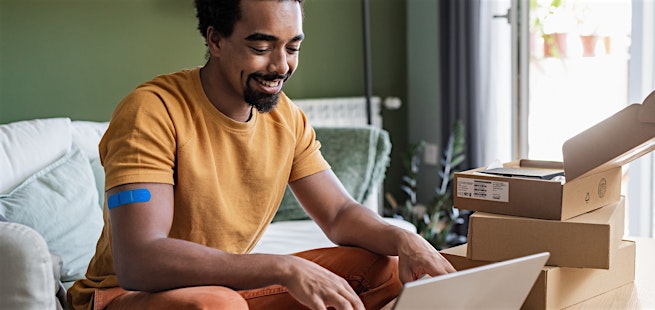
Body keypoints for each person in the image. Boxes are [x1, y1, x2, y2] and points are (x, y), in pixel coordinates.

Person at [67, 0, 455, 309]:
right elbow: (140, 259)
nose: (281, 65)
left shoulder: (287, 118)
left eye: (292, 47)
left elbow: (339, 214)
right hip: (122, 297)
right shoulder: (152, 111)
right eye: (261, 46)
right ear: (216, 40)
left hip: (226, 290)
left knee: (381, 270)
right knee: (216, 304)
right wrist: (282, 267)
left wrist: (405, 239)